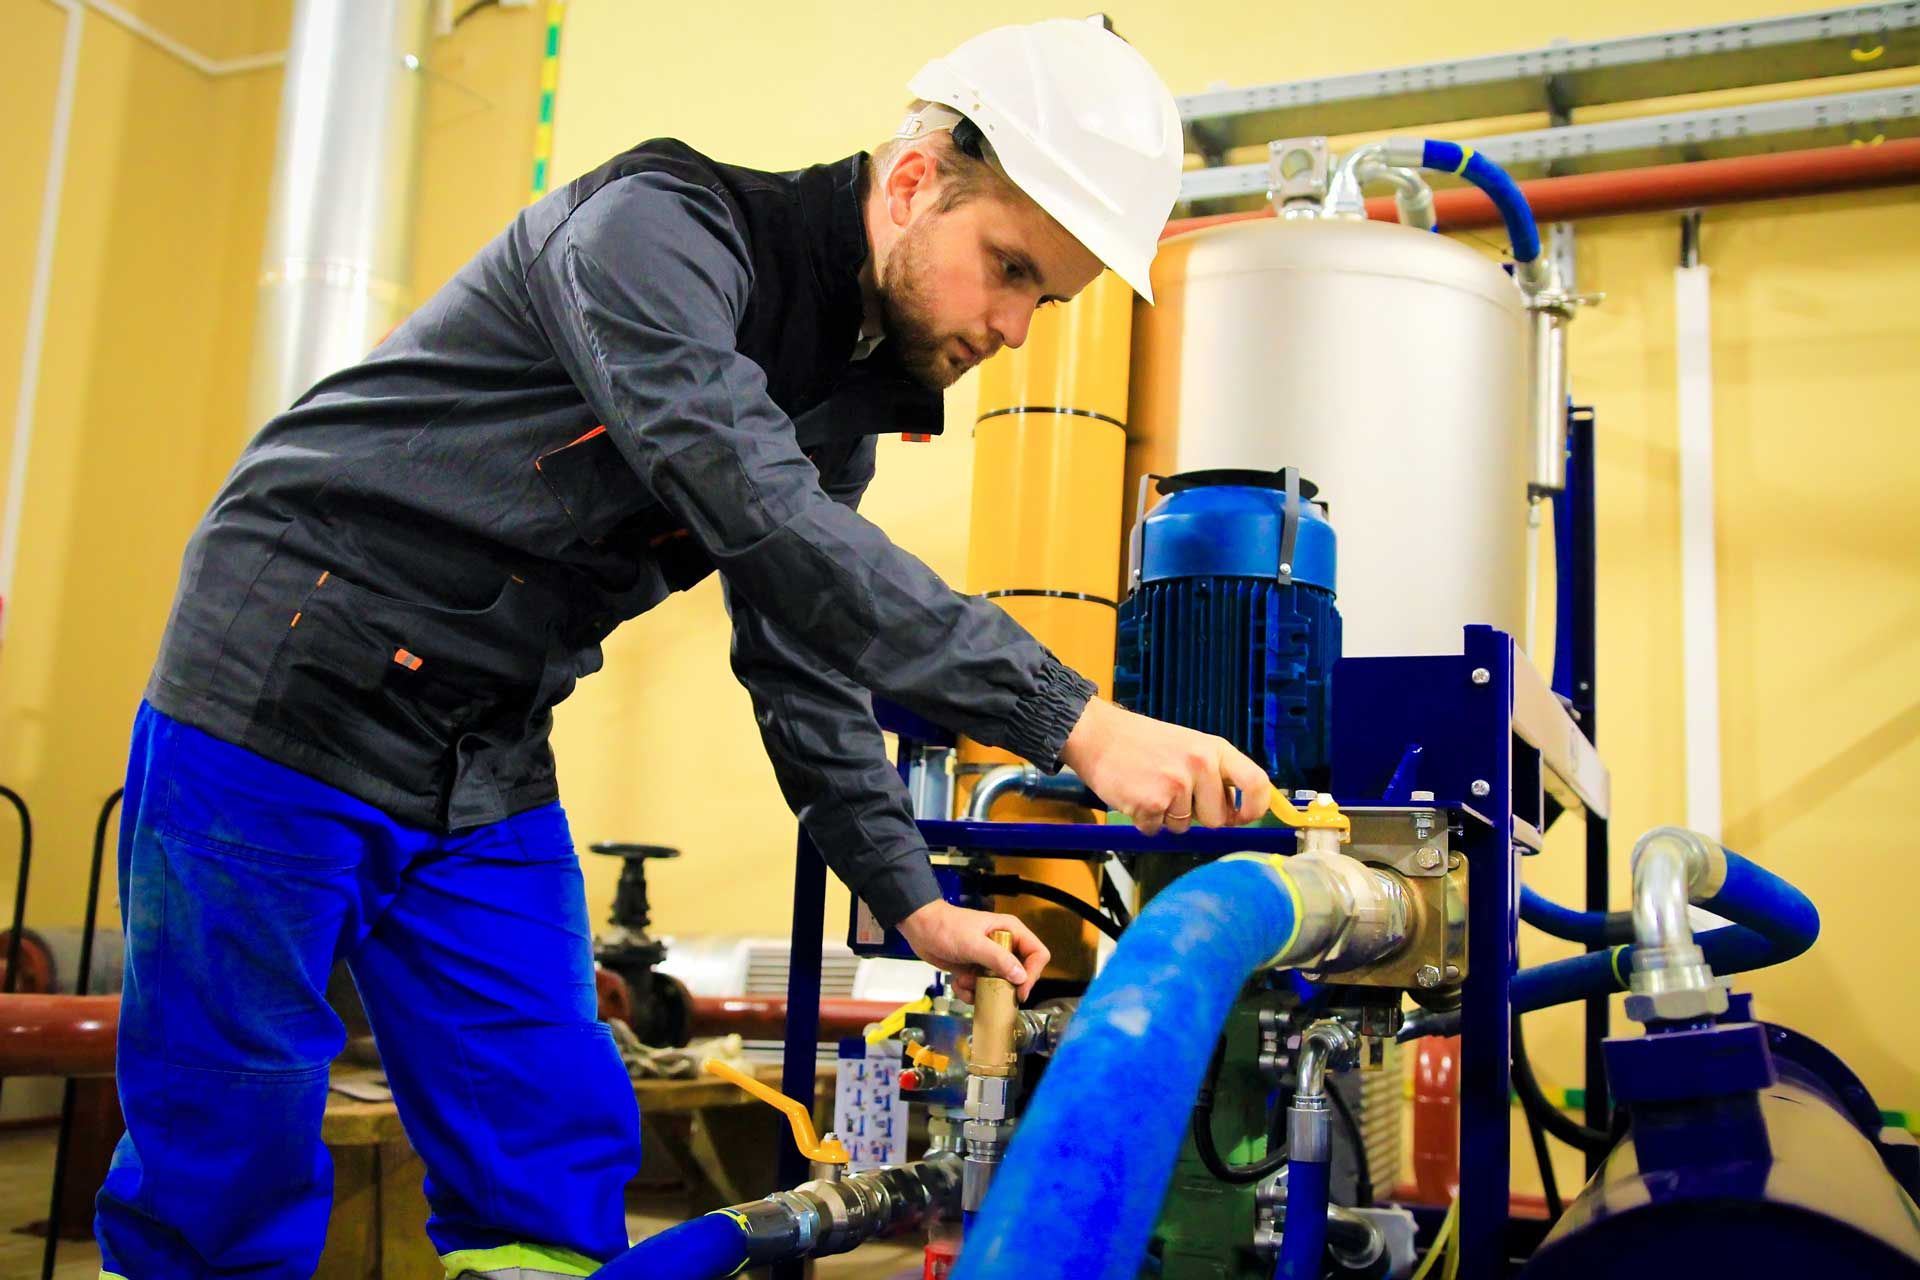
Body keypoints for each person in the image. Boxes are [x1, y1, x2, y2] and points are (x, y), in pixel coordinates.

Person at [97, 19, 1273, 1280]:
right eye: (1010, 269)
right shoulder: (655, 232)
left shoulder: (842, 404)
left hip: (481, 743)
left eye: (1045, 295)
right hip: (286, 673)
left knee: (543, 1145)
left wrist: (913, 896)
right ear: (918, 177)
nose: (1017, 327)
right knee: (226, 1151)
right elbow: (754, 499)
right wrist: (1078, 722)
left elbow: (806, 655)